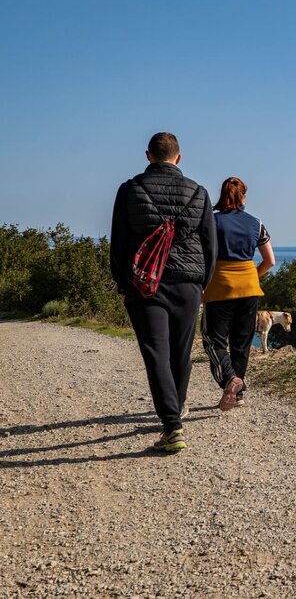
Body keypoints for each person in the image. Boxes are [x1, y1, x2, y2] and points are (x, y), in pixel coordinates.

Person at [110, 132, 216, 453]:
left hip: (145, 284)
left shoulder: (130, 190)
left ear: (148, 155)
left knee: (157, 353)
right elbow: (210, 246)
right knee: (180, 352)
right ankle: (177, 411)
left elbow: (119, 242)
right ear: (179, 158)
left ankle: (172, 426)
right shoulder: (199, 192)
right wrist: (202, 284)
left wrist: (123, 284)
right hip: (189, 283)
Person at [201, 177, 275, 411]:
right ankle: (239, 394)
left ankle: (229, 380)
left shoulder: (211, 222)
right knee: (241, 344)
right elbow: (270, 261)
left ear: (222, 195)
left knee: (213, 341)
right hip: (249, 289)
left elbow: (201, 256)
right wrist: (251, 276)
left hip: (219, 288)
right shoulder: (256, 223)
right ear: (243, 197)